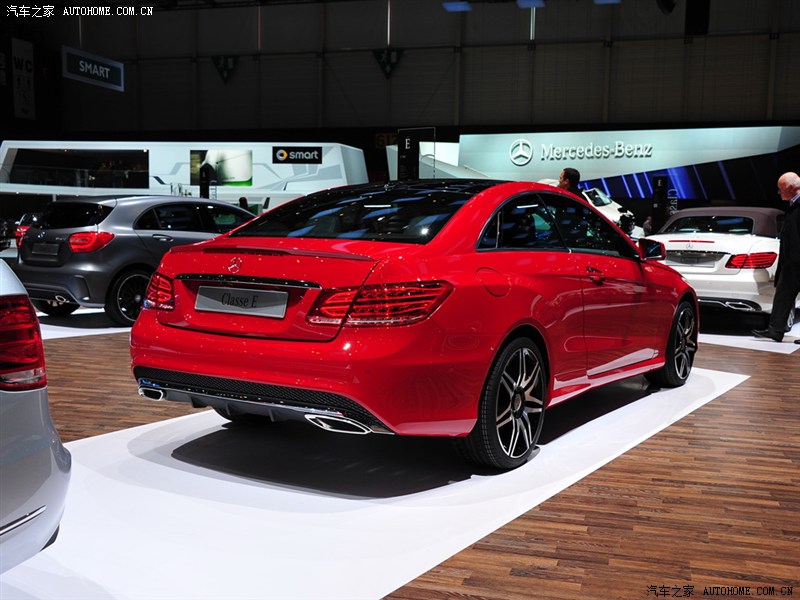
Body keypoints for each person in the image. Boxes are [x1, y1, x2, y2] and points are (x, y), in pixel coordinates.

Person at [752, 171, 800, 344]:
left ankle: (776, 329)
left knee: (784, 293)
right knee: (783, 295)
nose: (779, 192)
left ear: (791, 187)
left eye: (781, 188)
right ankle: (776, 330)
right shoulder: (793, 205)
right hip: (791, 262)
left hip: (797, 260)